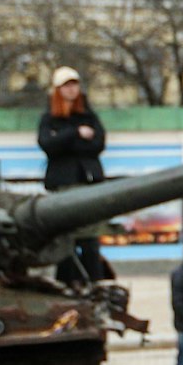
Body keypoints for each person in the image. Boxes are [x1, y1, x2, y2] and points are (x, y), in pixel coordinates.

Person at [38, 65, 108, 285]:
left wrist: (65, 142)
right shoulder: (50, 119)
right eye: (66, 86)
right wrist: (75, 134)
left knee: (90, 241)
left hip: (87, 182)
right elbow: (48, 145)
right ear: (58, 90)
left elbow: (97, 143)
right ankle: (66, 283)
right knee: (66, 240)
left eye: (74, 84)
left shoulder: (88, 115)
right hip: (64, 185)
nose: (71, 90)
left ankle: (94, 282)